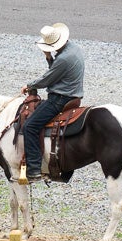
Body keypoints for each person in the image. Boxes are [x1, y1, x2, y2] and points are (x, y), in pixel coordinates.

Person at [21, 22, 85, 181]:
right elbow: (56, 72)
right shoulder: (74, 49)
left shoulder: (63, 58)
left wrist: (29, 86)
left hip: (60, 99)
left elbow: (48, 79)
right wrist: (49, 57)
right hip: (73, 96)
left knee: (30, 126)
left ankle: (34, 168)